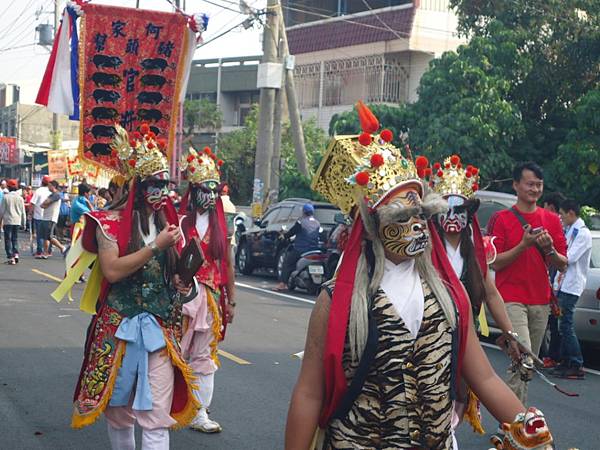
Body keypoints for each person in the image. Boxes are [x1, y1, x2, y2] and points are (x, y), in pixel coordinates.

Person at [286, 103, 554, 450]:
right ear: (371, 227)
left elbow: (485, 377)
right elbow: (309, 393)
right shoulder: (337, 299)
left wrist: (529, 432)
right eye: (402, 217)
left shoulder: (449, 294)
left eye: (421, 215)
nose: (415, 226)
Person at [53, 125, 199, 449]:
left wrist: (183, 282)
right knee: (119, 413)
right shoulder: (109, 223)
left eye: (166, 184)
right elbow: (112, 271)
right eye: (154, 184)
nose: (162, 192)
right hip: (118, 327)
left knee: (157, 418)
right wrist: (156, 247)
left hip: (160, 329)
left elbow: (183, 283)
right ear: (137, 185)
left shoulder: (170, 227)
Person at [428, 155, 519, 434]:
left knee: (461, 394)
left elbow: (491, 294)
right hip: (429, 334)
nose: (453, 216)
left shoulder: (479, 250)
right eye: (446, 208)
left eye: (460, 209)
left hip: (465, 334)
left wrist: (511, 334)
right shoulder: (421, 246)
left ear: (469, 213)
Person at [487, 161, 567, 406]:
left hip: (541, 301)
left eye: (539, 185)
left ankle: (514, 422)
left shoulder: (552, 219)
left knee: (523, 366)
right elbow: (494, 263)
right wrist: (523, 245)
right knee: (524, 360)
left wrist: (549, 250)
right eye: (530, 184)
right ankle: (515, 423)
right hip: (510, 299)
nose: (534, 189)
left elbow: (563, 263)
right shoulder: (500, 218)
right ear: (516, 185)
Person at [178, 146, 236, 433]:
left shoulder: (221, 225)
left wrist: (232, 301)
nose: (211, 196)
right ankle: (170, 405)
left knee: (205, 357)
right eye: (206, 190)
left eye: (215, 191)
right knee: (173, 353)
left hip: (210, 299)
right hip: (181, 299)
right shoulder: (179, 221)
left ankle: (200, 412)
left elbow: (227, 263)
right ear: (194, 190)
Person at [550, 199, 592, 380]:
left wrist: (553, 251)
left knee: (566, 325)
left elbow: (570, 257)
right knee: (562, 325)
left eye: (562, 213)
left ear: (571, 213)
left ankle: (576, 362)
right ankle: (566, 361)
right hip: (564, 283)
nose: (560, 217)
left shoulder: (582, 234)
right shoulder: (570, 231)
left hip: (572, 284)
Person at [540, 192, 566, 369]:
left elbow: (563, 262)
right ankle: (546, 355)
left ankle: (553, 356)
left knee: (556, 323)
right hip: (551, 282)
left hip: (553, 283)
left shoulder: (554, 226)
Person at [275, 203, 321, 291]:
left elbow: (291, 232)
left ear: (303, 212)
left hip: (301, 249)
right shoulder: (317, 223)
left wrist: (284, 236)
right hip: (314, 249)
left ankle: (282, 283)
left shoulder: (301, 222)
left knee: (287, 263)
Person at [0, 179, 26, 264]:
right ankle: (16, 254)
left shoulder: (6, 197)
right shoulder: (20, 198)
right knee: (15, 238)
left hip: (8, 221)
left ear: (8, 187)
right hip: (17, 220)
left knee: (8, 239)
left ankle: (11, 257)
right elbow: (23, 212)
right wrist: (24, 223)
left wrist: (0, 220)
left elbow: (2, 211)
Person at [40, 180, 66, 255]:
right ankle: (45, 252)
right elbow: (42, 205)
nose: (48, 187)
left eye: (49, 185)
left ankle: (62, 247)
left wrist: (46, 204)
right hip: (45, 217)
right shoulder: (50, 195)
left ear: (54, 186)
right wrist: (45, 204)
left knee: (49, 236)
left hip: (51, 218)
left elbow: (46, 203)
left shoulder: (56, 195)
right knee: (45, 237)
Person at [30, 175, 52, 258]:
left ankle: (40, 251)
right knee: (48, 235)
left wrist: (30, 213)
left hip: (38, 216)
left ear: (42, 182)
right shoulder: (51, 191)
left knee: (40, 235)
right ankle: (48, 251)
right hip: (49, 216)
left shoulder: (38, 191)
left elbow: (32, 203)